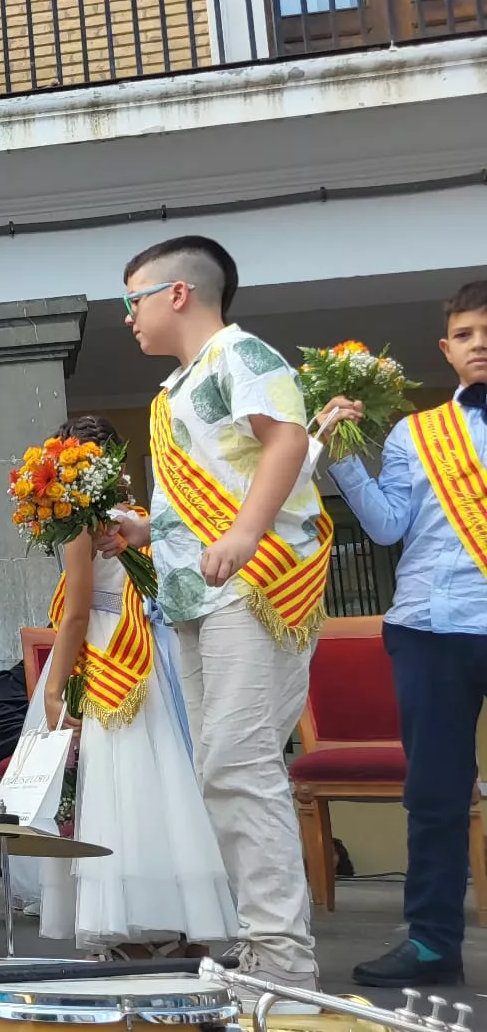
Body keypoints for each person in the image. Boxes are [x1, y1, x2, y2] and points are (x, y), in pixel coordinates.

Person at [103, 234, 329, 998]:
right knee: (222, 768)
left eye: (133, 299)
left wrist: (244, 533)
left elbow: (286, 439)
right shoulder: (175, 389)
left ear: (177, 293)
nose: (127, 316)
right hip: (196, 593)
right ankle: (265, 947)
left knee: (240, 762)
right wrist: (143, 532)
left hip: (254, 584)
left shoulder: (241, 355)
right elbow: (206, 489)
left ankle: (283, 959)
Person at [322, 280, 487, 989]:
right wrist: (339, 453)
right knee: (435, 793)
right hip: (430, 624)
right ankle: (431, 943)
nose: (480, 344)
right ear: (446, 348)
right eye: (467, 334)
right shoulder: (416, 434)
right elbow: (388, 526)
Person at [28, 416, 239, 957]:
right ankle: (179, 923)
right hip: (151, 651)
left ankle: (127, 925)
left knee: (113, 786)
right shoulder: (140, 518)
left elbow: (75, 614)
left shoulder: (80, 522)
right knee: (166, 785)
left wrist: (53, 690)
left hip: (107, 651)